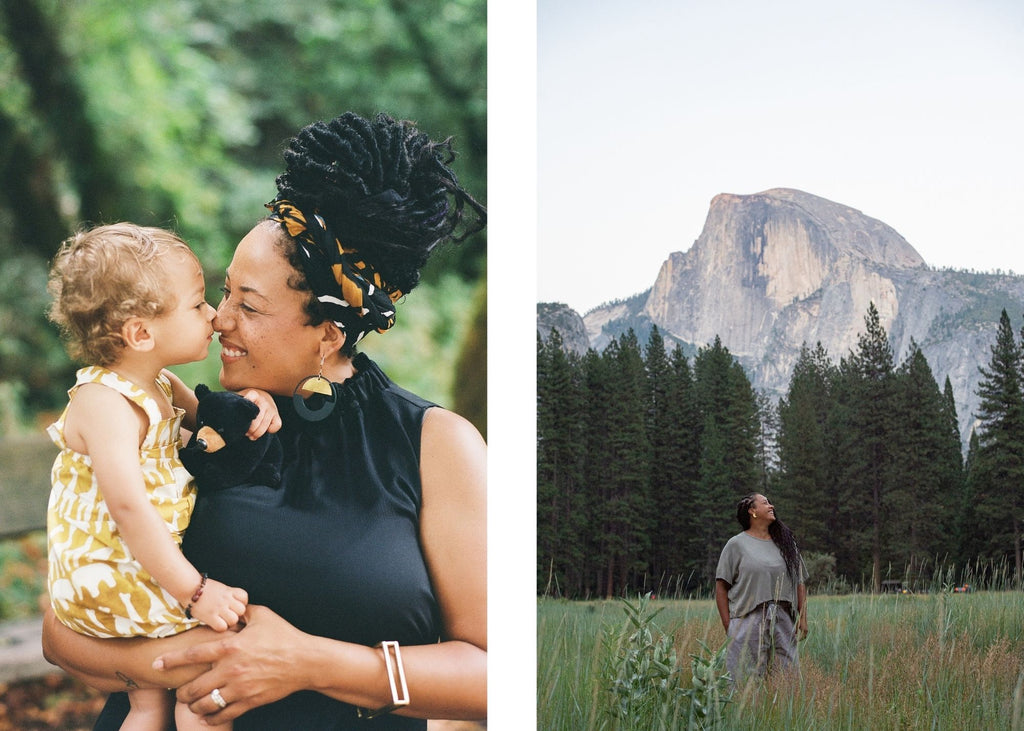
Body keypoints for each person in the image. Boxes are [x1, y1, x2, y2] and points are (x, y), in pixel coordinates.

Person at [42, 111, 488, 730]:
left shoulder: (434, 444)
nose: (220, 319)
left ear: (328, 335)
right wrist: (190, 664)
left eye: (247, 306)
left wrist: (312, 665)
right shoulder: (166, 414)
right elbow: (61, 631)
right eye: (221, 293)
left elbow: (493, 674)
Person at [45, 224, 278, 730]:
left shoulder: (160, 384)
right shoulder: (104, 404)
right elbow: (128, 510)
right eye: (198, 305)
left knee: (149, 702)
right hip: (112, 581)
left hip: (138, 573)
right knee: (209, 673)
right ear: (141, 333)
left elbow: (216, 424)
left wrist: (254, 403)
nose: (214, 317)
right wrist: (195, 592)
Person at [715, 493, 808, 684]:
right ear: (752, 511)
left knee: (787, 678)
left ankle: (782, 713)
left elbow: (799, 582)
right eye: (765, 503)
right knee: (745, 680)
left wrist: (802, 618)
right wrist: (729, 626)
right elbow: (721, 586)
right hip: (748, 618)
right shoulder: (736, 544)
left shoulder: (786, 544)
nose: (771, 506)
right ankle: (747, 713)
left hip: (783, 618)